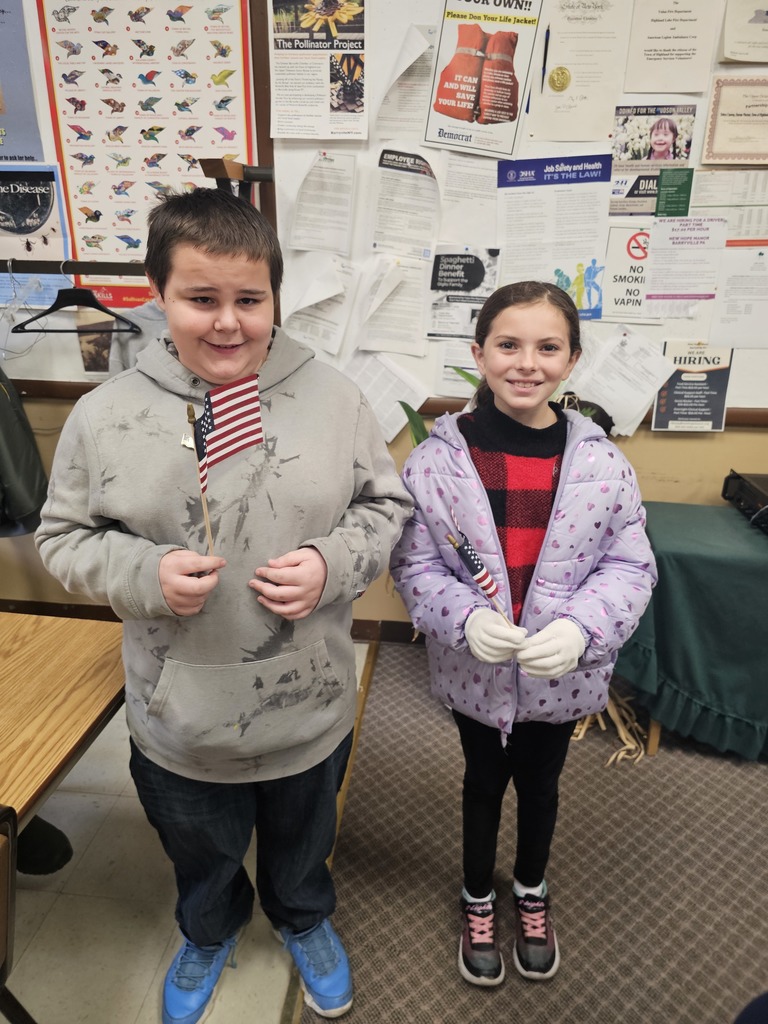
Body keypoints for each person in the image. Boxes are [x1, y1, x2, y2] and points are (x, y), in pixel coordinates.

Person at [35, 187, 412, 1023]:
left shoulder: (337, 396)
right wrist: (142, 571)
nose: (229, 323)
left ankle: (303, 919)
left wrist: (330, 561)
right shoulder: (103, 417)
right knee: (200, 849)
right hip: (179, 713)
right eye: (200, 299)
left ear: (276, 296)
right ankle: (209, 927)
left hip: (307, 700)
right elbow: (62, 538)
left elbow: (387, 509)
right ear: (156, 294)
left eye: (250, 299)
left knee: (303, 842)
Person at [390, 281, 656, 988]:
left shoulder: (602, 463)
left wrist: (582, 629)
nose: (526, 363)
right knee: (482, 781)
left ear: (571, 361)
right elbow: (414, 562)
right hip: (475, 670)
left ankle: (531, 889)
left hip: (561, 673)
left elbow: (630, 563)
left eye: (547, 347)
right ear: (479, 353)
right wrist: (463, 617)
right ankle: (479, 894)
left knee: (542, 784)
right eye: (508, 345)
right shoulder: (436, 463)